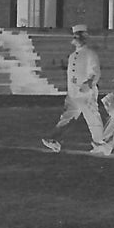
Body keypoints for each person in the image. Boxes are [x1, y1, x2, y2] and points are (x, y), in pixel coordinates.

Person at [42, 24, 104, 152]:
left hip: (86, 93)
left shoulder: (90, 54)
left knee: (92, 118)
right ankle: (55, 139)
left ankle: (100, 144)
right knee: (66, 117)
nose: (76, 38)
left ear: (84, 38)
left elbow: (95, 71)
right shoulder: (72, 56)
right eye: (75, 36)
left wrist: (89, 84)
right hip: (73, 94)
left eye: (79, 36)